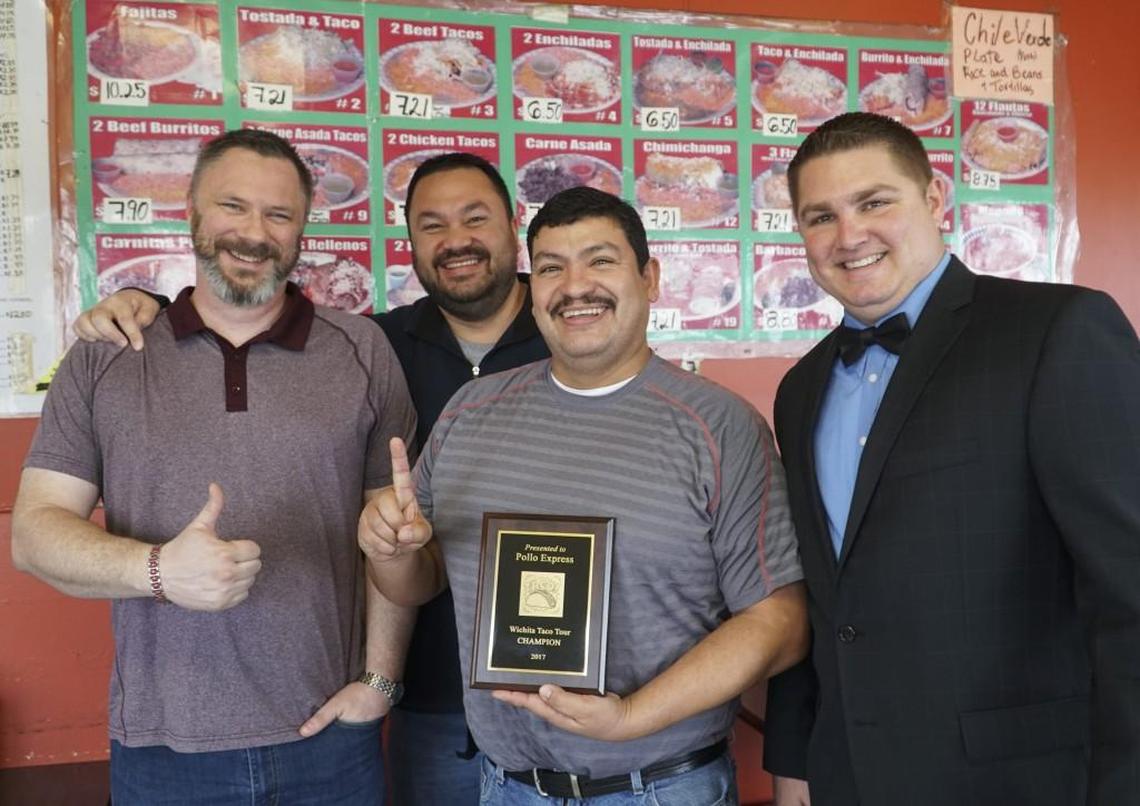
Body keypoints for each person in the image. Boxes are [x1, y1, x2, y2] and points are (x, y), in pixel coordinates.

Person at [72, 151, 550, 805]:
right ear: (407, 239)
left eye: (475, 218)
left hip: (573, 683)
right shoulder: (379, 343)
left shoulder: (570, 334)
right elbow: (231, 310)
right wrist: (147, 306)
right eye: (431, 224)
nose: (456, 240)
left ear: (514, 221)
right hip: (434, 702)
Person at [361, 186, 809, 805]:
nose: (574, 286)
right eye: (550, 267)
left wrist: (631, 716)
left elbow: (779, 622)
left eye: (599, 261)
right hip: (503, 785)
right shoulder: (471, 411)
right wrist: (390, 550)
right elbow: (421, 581)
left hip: (660, 787)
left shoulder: (718, 425)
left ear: (649, 279)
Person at [12, 129, 417, 805]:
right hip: (162, 751)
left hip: (331, 744)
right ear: (193, 215)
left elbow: (393, 539)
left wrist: (379, 682)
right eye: (233, 206)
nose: (254, 232)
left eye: (279, 214)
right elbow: (34, 534)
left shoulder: (362, 350)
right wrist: (158, 571)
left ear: (301, 230)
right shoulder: (107, 354)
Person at [761, 112, 1140, 806]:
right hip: (850, 779)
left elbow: (1130, 588)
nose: (849, 237)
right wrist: (796, 766)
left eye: (875, 202)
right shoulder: (800, 388)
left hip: (1021, 782)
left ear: (935, 199)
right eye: (821, 217)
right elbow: (818, 601)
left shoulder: (1057, 331)